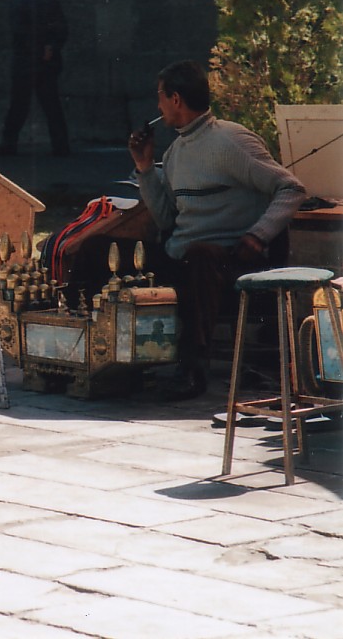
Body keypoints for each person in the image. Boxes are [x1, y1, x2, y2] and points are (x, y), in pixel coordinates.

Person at [77, 60, 306, 400]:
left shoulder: (231, 141)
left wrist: (259, 234)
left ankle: (191, 371)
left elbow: (291, 188)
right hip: (183, 257)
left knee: (200, 256)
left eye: (160, 96)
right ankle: (89, 354)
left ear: (175, 99)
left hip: (230, 260)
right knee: (96, 249)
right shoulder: (175, 153)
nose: (157, 106)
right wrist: (144, 167)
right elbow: (166, 219)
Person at [0, 0, 70, 157]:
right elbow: (61, 27)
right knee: (51, 104)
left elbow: (21, 33)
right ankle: (61, 144)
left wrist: (37, 49)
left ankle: (9, 143)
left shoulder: (18, 2)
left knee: (18, 105)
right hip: (48, 61)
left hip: (26, 61)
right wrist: (51, 46)